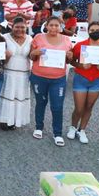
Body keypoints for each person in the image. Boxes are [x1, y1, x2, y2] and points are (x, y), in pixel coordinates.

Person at [29, 17, 73, 146]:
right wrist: (35, 52)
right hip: (39, 76)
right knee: (40, 102)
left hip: (58, 79)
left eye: (56, 25)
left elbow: (68, 61)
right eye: (51, 25)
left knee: (57, 106)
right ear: (46, 26)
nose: (54, 28)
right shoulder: (38, 37)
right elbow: (31, 56)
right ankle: (38, 127)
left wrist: (70, 57)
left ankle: (57, 133)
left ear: (61, 27)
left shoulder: (66, 40)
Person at [68, 22, 99, 144]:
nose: (95, 32)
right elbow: (71, 60)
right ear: (88, 31)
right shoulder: (80, 45)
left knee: (89, 107)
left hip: (96, 81)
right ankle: (72, 127)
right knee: (79, 108)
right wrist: (81, 66)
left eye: (97, 30)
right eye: (92, 30)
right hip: (81, 78)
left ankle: (82, 130)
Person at [0, 17, 33, 130]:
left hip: (23, 74)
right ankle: (5, 120)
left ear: (26, 27)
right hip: (8, 72)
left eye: (22, 27)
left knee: (19, 97)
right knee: (7, 96)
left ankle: (15, 120)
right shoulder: (4, 38)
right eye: (17, 27)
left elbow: (31, 56)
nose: (19, 29)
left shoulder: (30, 39)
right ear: (12, 26)